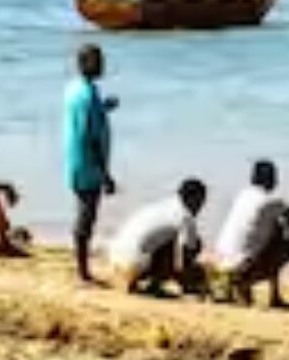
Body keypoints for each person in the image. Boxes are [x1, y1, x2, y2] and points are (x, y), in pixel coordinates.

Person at [214, 160, 289, 313]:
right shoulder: (271, 202)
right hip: (244, 271)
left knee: (275, 232)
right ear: (271, 180)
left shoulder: (242, 196)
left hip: (222, 267)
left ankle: (274, 296)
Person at [64, 44, 118, 283]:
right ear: (87, 64)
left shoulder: (75, 89)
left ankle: (81, 267)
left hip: (75, 161)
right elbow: (89, 136)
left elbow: (83, 118)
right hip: (88, 166)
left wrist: (103, 109)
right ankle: (82, 272)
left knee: (84, 214)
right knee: (86, 218)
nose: (103, 66)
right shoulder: (88, 95)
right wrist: (105, 174)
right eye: (98, 61)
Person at [108, 179, 208, 297]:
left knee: (173, 240)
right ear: (193, 198)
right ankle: (154, 284)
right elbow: (187, 254)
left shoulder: (164, 206)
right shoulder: (185, 216)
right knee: (190, 245)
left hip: (115, 261)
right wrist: (189, 279)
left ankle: (140, 281)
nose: (201, 206)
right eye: (201, 201)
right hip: (133, 264)